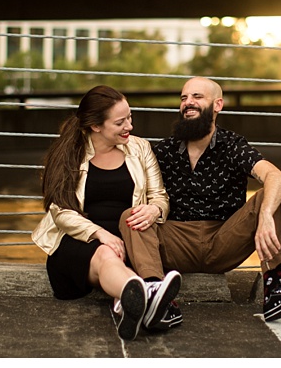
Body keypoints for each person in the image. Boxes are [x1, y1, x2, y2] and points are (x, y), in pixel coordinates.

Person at [120, 76, 281, 324]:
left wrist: (265, 216)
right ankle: (157, 297)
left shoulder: (233, 145)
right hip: (175, 241)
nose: (188, 103)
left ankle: (273, 289)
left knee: (272, 195)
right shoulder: (164, 150)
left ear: (218, 105)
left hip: (224, 240)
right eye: (184, 98)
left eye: (197, 97)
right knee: (131, 217)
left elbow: (276, 177)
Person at [32, 85, 182, 340]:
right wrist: (101, 234)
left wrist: (154, 209)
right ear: (96, 126)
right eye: (120, 122)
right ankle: (143, 296)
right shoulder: (68, 153)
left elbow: (160, 196)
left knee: (114, 253)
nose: (130, 127)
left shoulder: (140, 148)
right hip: (79, 240)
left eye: (130, 118)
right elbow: (61, 212)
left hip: (129, 239)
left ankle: (136, 303)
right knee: (105, 254)